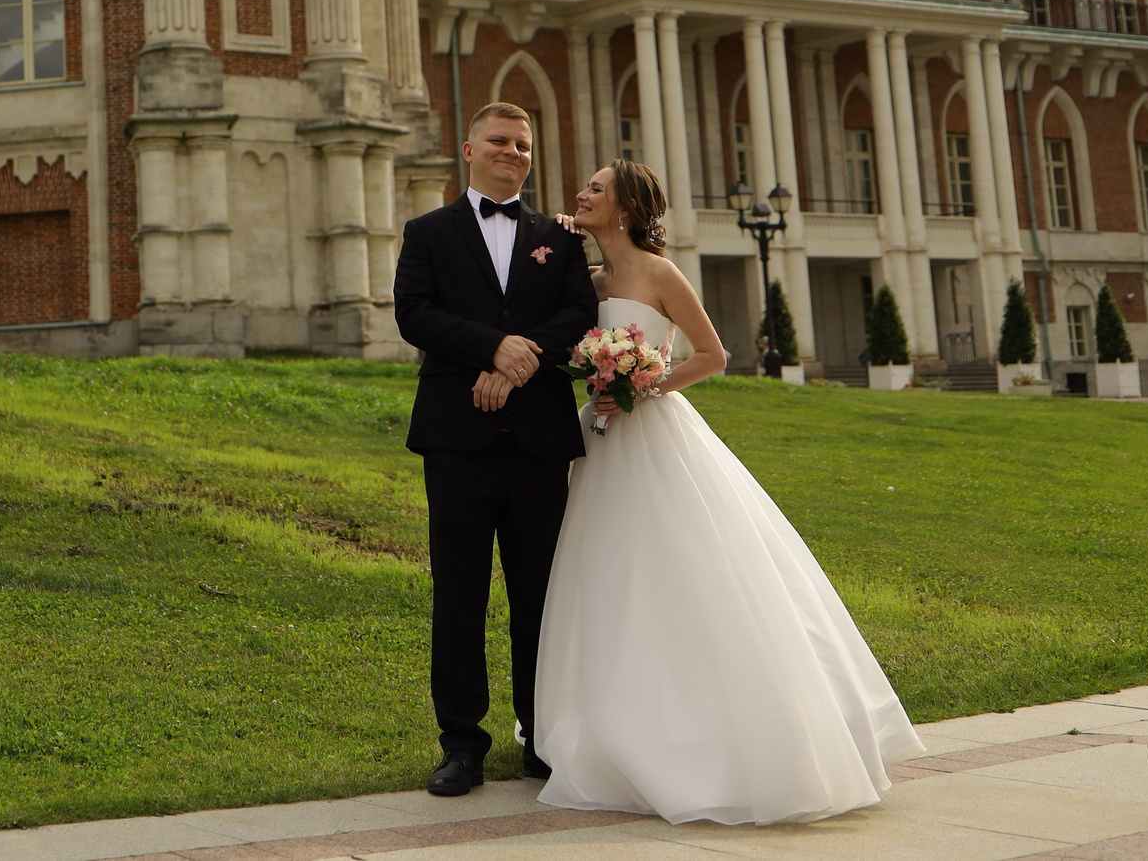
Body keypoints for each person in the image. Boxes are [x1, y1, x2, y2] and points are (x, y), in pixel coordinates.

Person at [531, 161, 924, 826]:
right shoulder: (591, 279)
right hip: (600, 440)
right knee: (611, 580)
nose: (583, 193)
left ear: (625, 206)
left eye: (596, 188)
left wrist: (641, 384)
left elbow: (711, 354)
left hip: (652, 432)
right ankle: (614, 729)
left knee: (684, 570)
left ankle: (730, 739)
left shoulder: (660, 273)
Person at [391, 102, 600, 798]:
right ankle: (461, 745)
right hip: (457, 438)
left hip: (539, 440)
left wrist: (519, 359)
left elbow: (578, 315)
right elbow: (413, 311)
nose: (513, 151)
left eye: (524, 143)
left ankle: (540, 739)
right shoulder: (427, 232)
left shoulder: (560, 238)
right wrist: (489, 346)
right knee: (460, 594)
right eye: (501, 140)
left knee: (541, 594)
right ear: (468, 147)